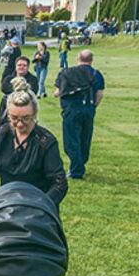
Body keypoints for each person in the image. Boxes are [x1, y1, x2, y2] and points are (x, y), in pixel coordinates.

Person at [0, 84, 68, 207]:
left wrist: (43, 204)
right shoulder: (3, 133)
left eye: (26, 118)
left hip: (36, 206)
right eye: (14, 118)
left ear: (35, 115)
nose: (20, 124)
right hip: (6, 204)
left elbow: (59, 183)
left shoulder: (46, 141)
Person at [54, 49, 105, 180]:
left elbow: (57, 92)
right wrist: (93, 107)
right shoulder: (96, 74)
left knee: (71, 140)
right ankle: (80, 164)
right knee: (85, 138)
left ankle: (76, 170)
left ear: (78, 59)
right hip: (88, 108)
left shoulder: (67, 73)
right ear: (91, 60)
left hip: (71, 109)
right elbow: (100, 94)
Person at [0, 56, 40, 129]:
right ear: (15, 66)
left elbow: (33, 91)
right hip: (7, 107)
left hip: (26, 108)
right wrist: (21, 88)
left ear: (28, 67)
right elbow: (4, 88)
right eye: (19, 65)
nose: (21, 67)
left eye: (24, 65)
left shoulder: (33, 79)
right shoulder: (9, 78)